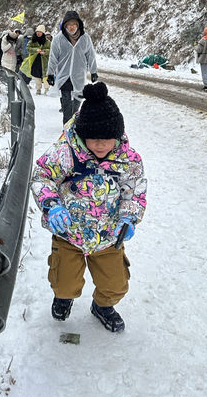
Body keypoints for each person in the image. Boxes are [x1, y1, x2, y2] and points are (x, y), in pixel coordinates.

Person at [31, 82, 147, 333]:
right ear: (84, 135)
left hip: (107, 234)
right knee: (64, 282)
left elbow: (134, 189)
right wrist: (52, 206)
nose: (101, 145)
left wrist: (128, 217)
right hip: (69, 233)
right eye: (94, 140)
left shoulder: (127, 159)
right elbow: (42, 176)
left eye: (107, 140)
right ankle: (64, 297)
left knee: (116, 284)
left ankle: (102, 306)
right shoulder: (66, 153)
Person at [47, 9, 98, 123]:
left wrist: (93, 71)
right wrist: (50, 74)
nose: (72, 27)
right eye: (69, 24)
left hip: (79, 75)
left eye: (74, 24)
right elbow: (53, 57)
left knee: (76, 103)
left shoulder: (85, 38)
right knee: (66, 104)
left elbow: (91, 55)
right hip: (64, 75)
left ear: (78, 25)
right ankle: (66, 127)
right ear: (65, 25)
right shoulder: (58, 39)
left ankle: (73, 122)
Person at [20, 24, 50, 94]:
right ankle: (38, 89)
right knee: (36, 75)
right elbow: (28, 48)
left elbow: (51, 49)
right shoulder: (32, 40)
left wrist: (45, 52)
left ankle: (47, 88)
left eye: (40, 32)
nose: (38, 33)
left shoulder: (47, 42)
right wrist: (36, 50)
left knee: (45, 75)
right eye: (37, 32)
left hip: (44, 61)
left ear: (43, 33)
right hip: (35, 60)